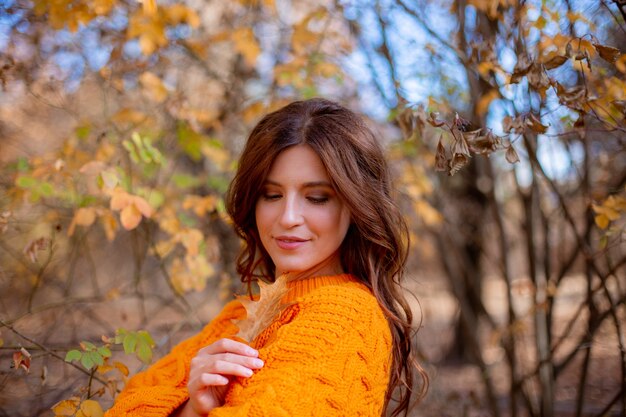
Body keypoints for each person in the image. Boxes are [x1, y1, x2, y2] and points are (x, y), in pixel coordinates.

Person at [104, 98, 427, 417]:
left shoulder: (346, 315)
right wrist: (192, 408)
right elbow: (124, 406)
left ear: (355, 207)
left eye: (316, 198)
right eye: (271, 195)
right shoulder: (239, 315)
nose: (288, 217)